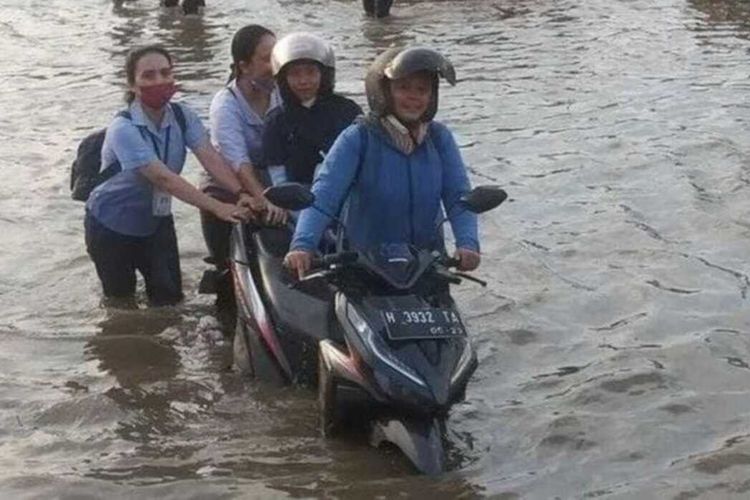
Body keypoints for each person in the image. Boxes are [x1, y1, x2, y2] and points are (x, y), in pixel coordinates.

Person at [283, 47, 481, 279]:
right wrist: (302, 245)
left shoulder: (439, 138)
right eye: (403, 88)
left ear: (432, 96)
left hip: (427, 266)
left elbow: (459, 196)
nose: (413, 97)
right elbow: (324, 194)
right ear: (383, 91)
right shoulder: (359, 137)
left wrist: (468, 245)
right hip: (364, 268)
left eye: (422, 89)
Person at [85, 44, 252, 306]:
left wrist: (240, 193)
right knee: (121, 304)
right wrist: (218, 207)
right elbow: (163, 178)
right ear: (132, 84)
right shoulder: (123, 127)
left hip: (156, 222)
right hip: (110, 227)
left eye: (165, 72)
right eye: (148, 75)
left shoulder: (182, 116)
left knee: (171, 301)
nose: (159, 80)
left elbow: (209, 156)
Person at [202, 25, 285, 315]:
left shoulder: (280, 93)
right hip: (228, 187)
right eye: (266, 59)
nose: (274, 66)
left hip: (271, 180)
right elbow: (238, 162)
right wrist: (265, 198)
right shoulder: (225, 104)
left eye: (276, 57)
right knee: (229, 270)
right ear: (243, 66)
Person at [261, 32, 362, 187]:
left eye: (310, 72)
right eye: (295, 74)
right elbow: (277, 173)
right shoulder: (276, 121)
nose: (303, 81)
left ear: (324, 75)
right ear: (282, 79)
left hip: (346, 189)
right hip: (298, 196)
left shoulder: (348, 111)